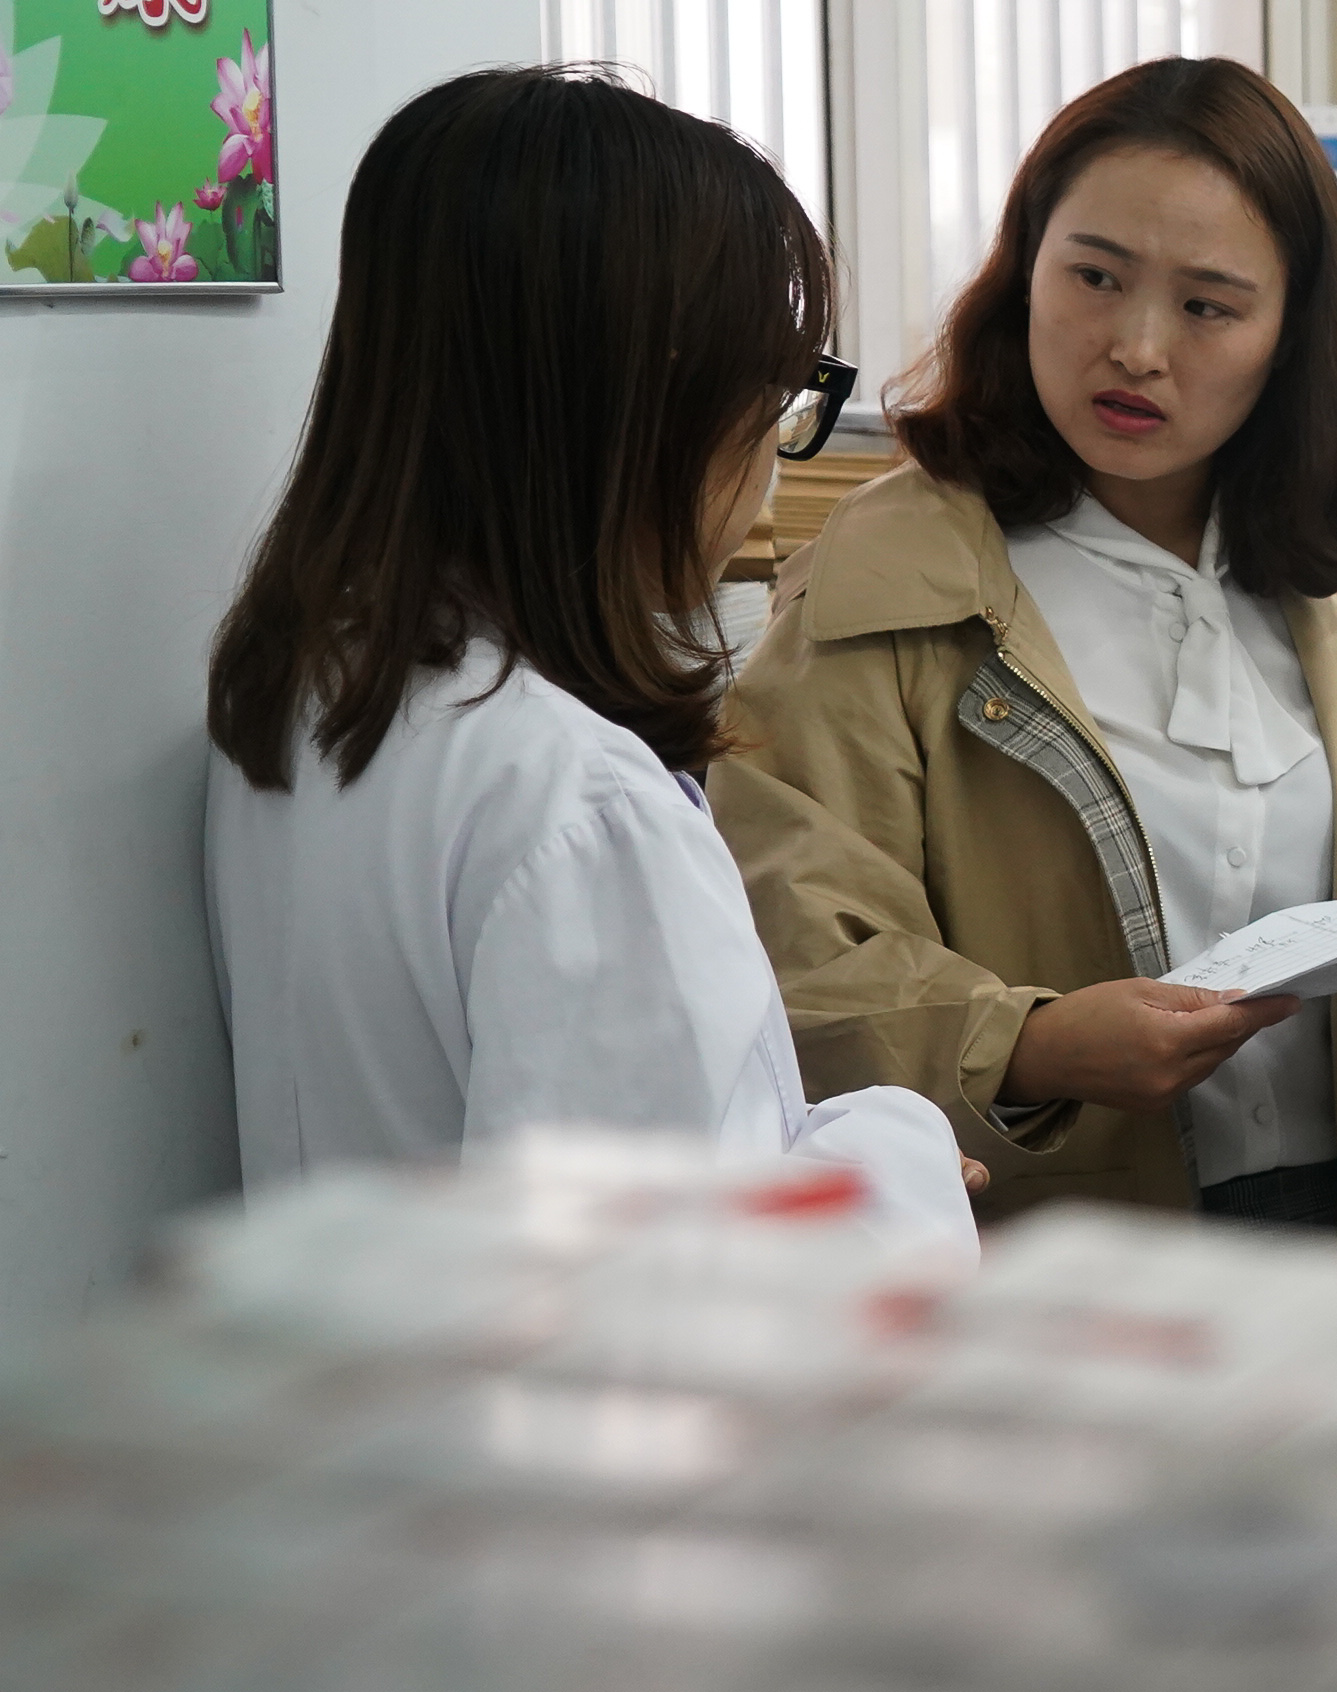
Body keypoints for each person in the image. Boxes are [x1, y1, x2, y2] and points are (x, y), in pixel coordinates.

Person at [715, 57, 1337, 1248]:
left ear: (1290, 334)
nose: (1137, 346)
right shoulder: (889, 578)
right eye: (1095, 277)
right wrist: (1031, 1044)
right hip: (1058, 1256)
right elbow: (798, 957)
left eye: (1208, 306)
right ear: (1023, 273)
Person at [202, 66, 977, 1258]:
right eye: (771, 396)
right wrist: (899, 1155)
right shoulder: (581, 806)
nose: (772, 456)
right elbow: (660, 1308)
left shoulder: (312, 688)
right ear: (642, 410)